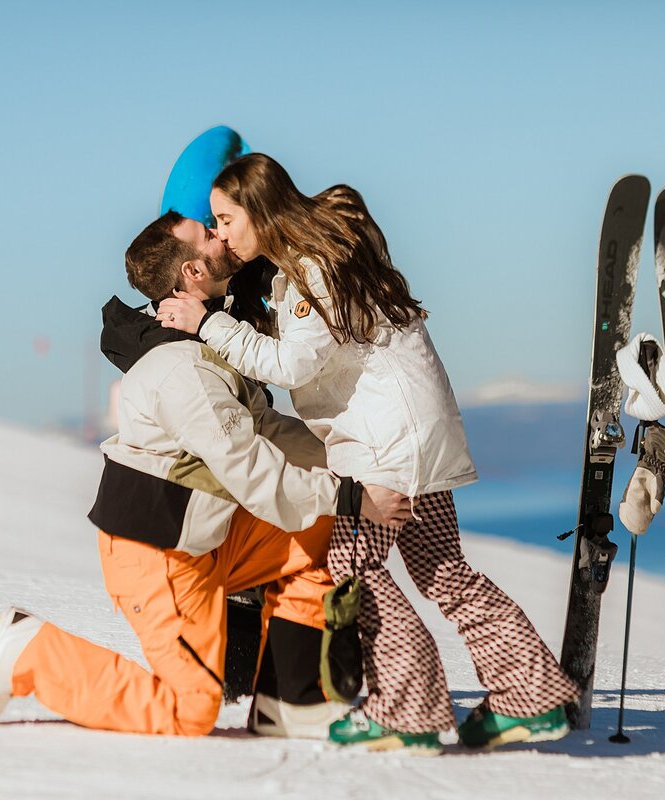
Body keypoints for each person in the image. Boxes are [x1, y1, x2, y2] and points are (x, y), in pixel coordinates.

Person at [158, 153, 579, 753]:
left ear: (258, 209)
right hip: (411, 436)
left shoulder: (309, 271)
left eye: (225, 218)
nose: (220, 233)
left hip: (387, 447)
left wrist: (208, 325)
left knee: (352, 566)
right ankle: (529, 696)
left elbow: (293, 364)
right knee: (444, 571)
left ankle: (409, 710)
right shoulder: (309, 265)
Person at [0, 212, 412, 739]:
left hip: (206, 538)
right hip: (158, 555)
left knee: (319, 530)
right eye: (208, 233)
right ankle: (30, 652)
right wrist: (352, 495)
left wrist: (352, 457)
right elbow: (253, 470)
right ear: (193, 274)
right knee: (190, 711)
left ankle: (287, 702)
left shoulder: (204, 342)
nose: (220, 234)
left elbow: (264, 426)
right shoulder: (182, 369)